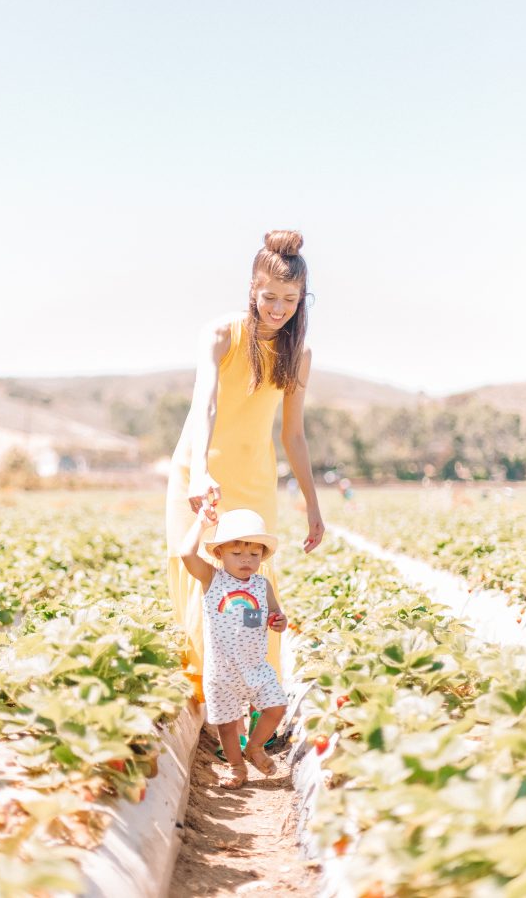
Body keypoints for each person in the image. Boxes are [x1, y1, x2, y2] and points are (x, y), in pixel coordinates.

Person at [165, 229, 325, 704]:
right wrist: (199, 474)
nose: (278, 308)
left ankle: (259, 702)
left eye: (290, 300)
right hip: (200, 474)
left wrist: (313, 506)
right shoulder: (221, 334)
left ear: (303, 300)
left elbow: (293, 435)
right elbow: (206, 406)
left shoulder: (299, 355)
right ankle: (207, 706)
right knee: (197, 579)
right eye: (269, 297)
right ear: (252, 291)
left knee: (254, 590)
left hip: (254, 481)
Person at [180, 507, 287, 789]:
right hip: (222, 671)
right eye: (237, 554)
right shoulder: (212, 579)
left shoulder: (262, 585)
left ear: (262, 556)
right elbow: (186, 555)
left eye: (254, 554)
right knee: (226, 727)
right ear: (219, 554)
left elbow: (276, 613)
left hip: (255, 666)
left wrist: (279, 621)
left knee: (276, 708)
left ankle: (254, 747)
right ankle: (237, 767)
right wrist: (201, 523)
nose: (246, 561)